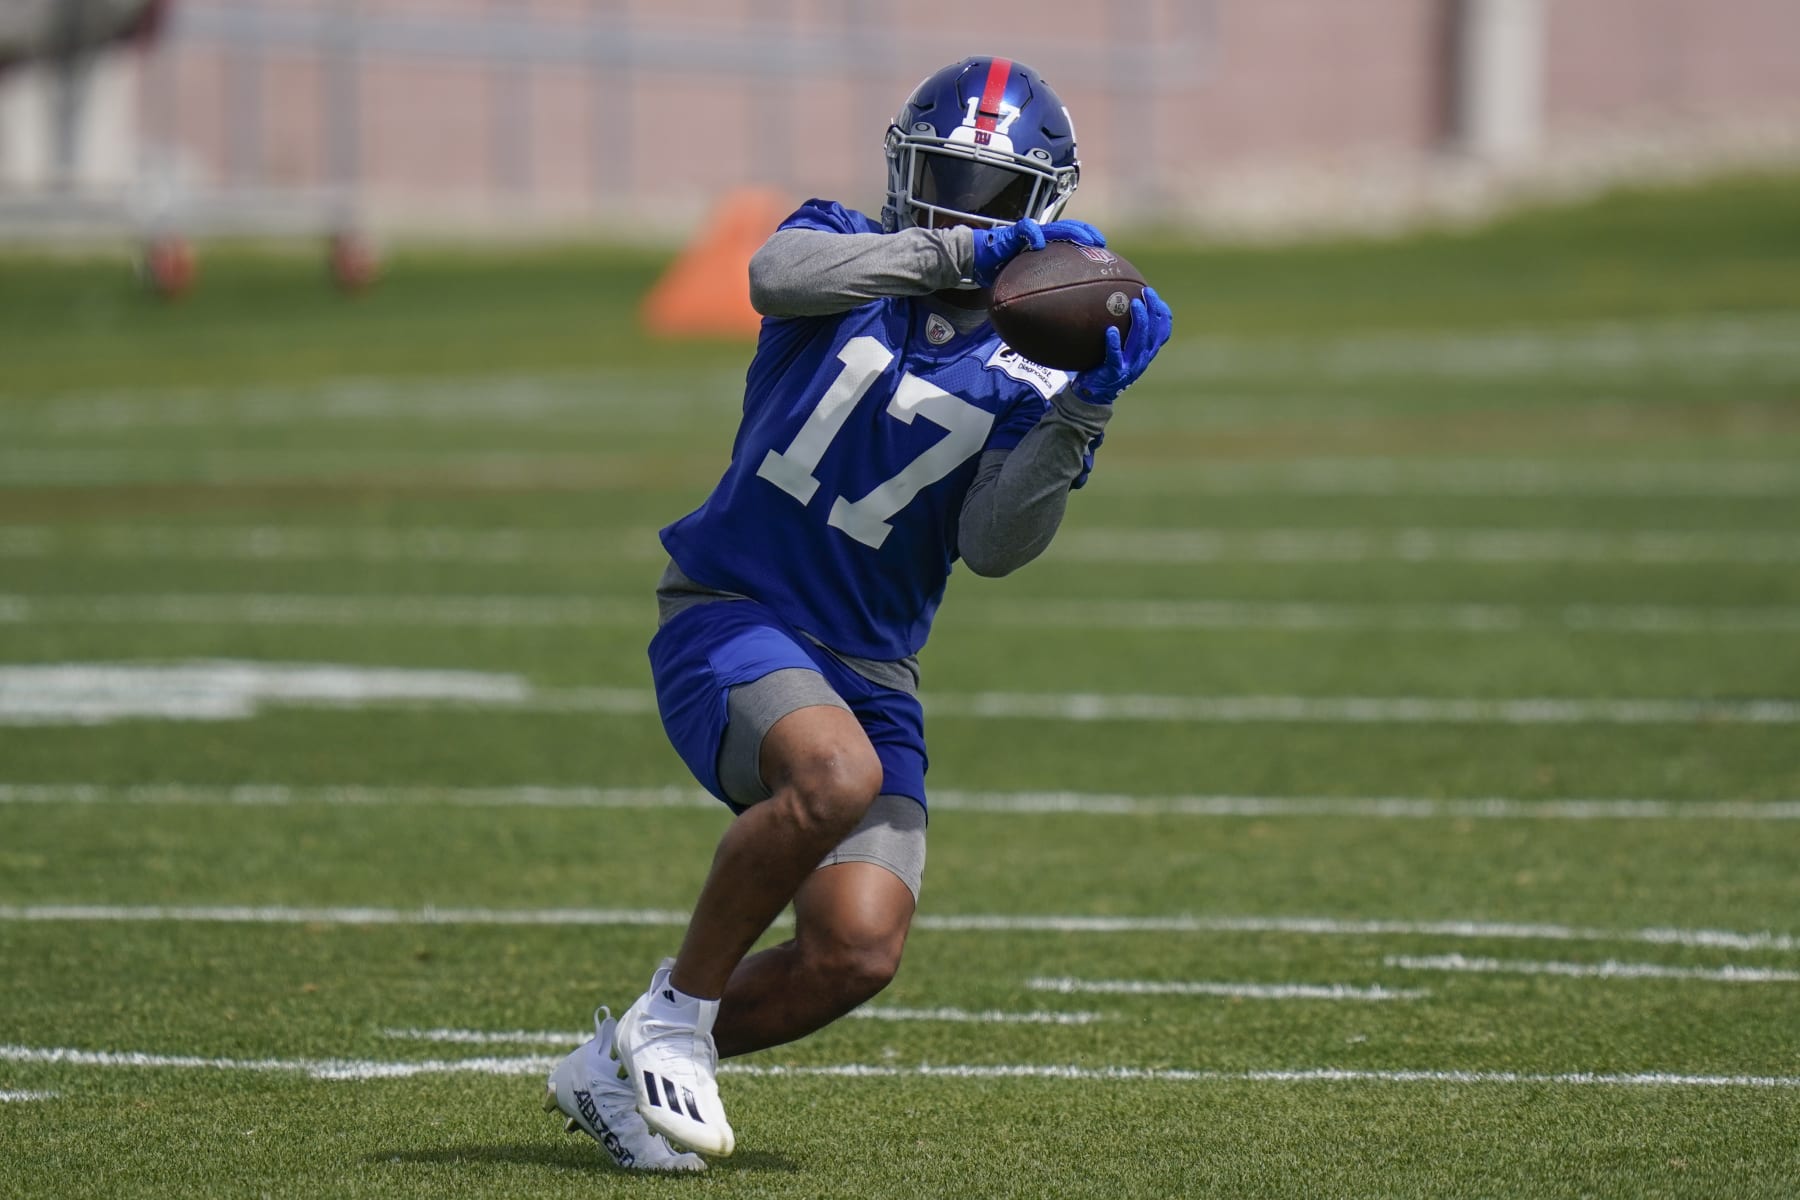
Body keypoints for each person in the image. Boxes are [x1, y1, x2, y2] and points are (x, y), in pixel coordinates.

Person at [543, 54, 1174, 1171]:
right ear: (900, 169)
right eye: (942, 179)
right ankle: (675, 1015)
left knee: (857, 952)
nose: (958, 209)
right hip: (734, 609)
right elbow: (770, 274)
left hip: (872, 668)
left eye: (988, 194)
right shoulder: (843, 250)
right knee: (836, 778)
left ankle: (607, 1065)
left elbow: (994, 547)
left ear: (1044, 204)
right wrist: (957, 255)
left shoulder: (1034, 369)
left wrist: (1085, 409)